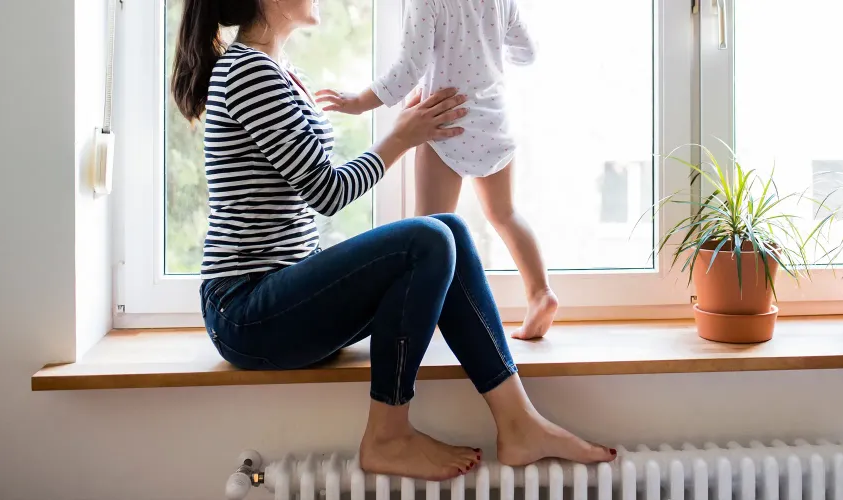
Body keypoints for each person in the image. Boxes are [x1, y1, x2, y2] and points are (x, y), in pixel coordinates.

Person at [170, 0, 615, 482]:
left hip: (281, 299)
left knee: (449, 230)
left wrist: (406, 128)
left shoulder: (278, 69)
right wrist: (402, 138)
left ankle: (518, 423)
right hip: (246, 310)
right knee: (426, 238)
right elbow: (328, 191)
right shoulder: (248, 73)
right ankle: (387, 435)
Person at [320, 0, 558, 340]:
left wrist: (359, 102)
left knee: (429, 228)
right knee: (505, 213)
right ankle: (540, 293)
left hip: (445, 123)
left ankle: (422, 315)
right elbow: (527, 52)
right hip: (494, 121)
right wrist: (485, 58)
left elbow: (407, 69)